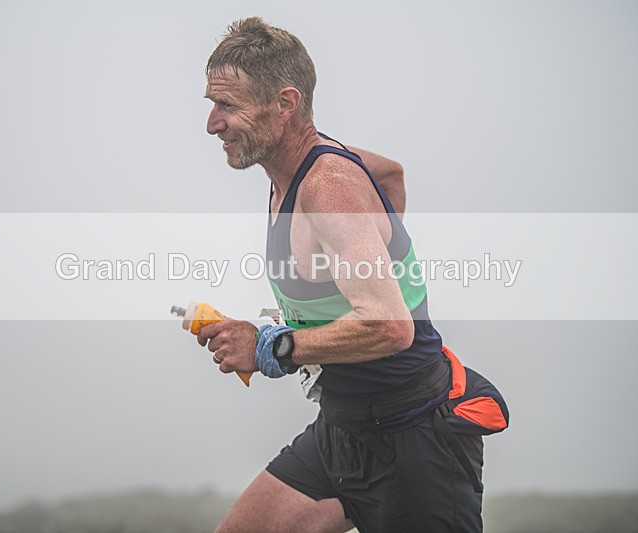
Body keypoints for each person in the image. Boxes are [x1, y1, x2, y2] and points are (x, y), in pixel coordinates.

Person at [199, 17, 496, 533]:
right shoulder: (296, 169)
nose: (212, 123)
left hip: (413, 440)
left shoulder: (329, 189)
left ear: (286, 103)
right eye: (212, 103)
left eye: (228, 105)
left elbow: (388, 325)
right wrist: (369, 259)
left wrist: (273, 347)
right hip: (342, 430)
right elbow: (390, 174)